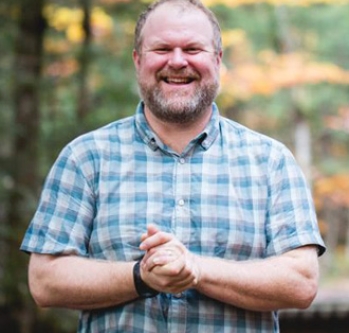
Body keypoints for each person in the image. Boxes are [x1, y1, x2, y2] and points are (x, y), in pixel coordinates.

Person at [21, 0, 326, 332]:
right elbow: (45, 280)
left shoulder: (271, 161)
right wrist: (140, 276)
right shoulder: (85, 157)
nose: (178, 61)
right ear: (138, 61)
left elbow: (302, 281)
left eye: (193, 48)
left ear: (218, 60)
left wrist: (196, 268)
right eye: (162, 48)